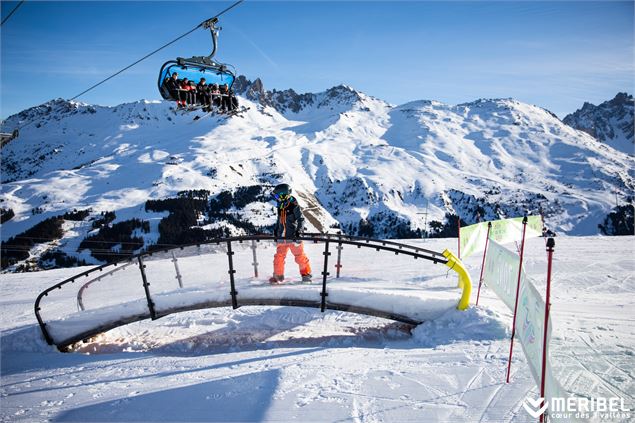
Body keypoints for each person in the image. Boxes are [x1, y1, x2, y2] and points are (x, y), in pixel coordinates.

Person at [270, 183, 312, 283]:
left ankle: (306, 275)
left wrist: (299, 232)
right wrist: (276, 230)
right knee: (278, 258)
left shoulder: (293, 205)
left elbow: (301, 219)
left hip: (293, 237)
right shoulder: (280, 205)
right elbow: (279, 219)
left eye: (277, 196)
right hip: (282, 237)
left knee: (299, 257)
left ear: (283, 196)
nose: (276, 198)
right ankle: (278, 276)